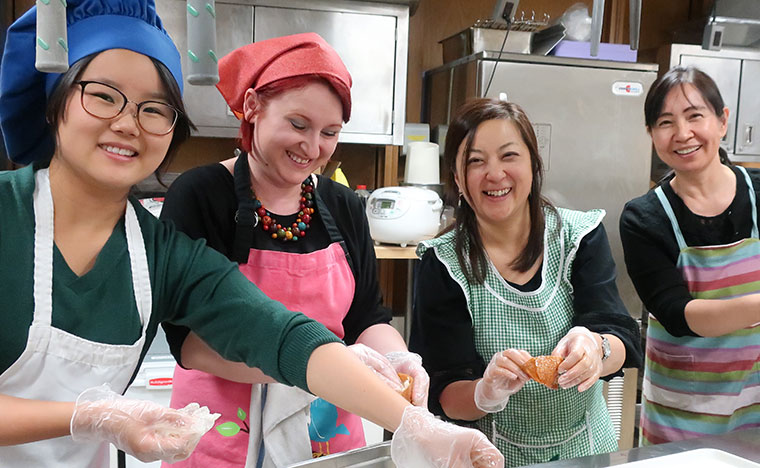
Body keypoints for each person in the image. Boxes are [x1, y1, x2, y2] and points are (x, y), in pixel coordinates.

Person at [0, 2, 504, 467]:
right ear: (56, 104)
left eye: (156, 109)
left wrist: (421, 427)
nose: (128, 122)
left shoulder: (156, 252)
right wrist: (86, 417)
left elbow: (281, 336)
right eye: (102, 95)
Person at [158, 32, 430, 467]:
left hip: (328, 431)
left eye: (330, 133)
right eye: (298, 124)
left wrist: (397, 357)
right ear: (252, 107)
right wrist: (323, 362)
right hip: (221, 437)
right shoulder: (202, 195)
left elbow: (365, 318)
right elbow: (189, 342)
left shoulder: (341, 205)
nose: (312, 147)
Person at [409, 98, 643, 467]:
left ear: (534, 165)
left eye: (509, 156)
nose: (495, 174)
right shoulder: (444, 264)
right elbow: (445, 391)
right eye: (475, 161)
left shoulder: (578, 238)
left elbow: (621, 336)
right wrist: (484, 393)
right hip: (489, 455)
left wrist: (595, 348)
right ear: (456, 178)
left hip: (586, 449)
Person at [620, 66, 760, 446]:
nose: (683, 134)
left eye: (695, 115)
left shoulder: (758, 192)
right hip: (683, 416)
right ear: (651, 134)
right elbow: (678, 315)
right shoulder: (644, 217)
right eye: (665, 122)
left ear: (722, 121)